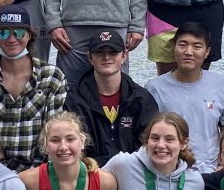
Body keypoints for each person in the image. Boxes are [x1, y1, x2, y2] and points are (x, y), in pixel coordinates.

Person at [0, 3, 67, 171]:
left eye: (18, 32)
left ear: (30, 35)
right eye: (3, 32)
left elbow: (55, 135)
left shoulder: (52, 77)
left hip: (35, 171)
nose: (11, 39)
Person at [145, 22, 224, 173]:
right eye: (182, 45)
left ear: (207, 51)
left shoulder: (219, 83)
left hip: (212, 168)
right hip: (171, 166)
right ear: (174, 47)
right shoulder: (155, 87)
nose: (188, 52)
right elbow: (149, 135)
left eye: (197, 46)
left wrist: (223, 164)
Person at [66, 28, 157, 164]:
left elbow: (148, 144)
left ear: (124, 56)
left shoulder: (142, 99)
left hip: (134, 171)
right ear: (90, 57)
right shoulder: (73, 100)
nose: (107, 57)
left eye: (113, 52)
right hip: (91, 173)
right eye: (99, 52)